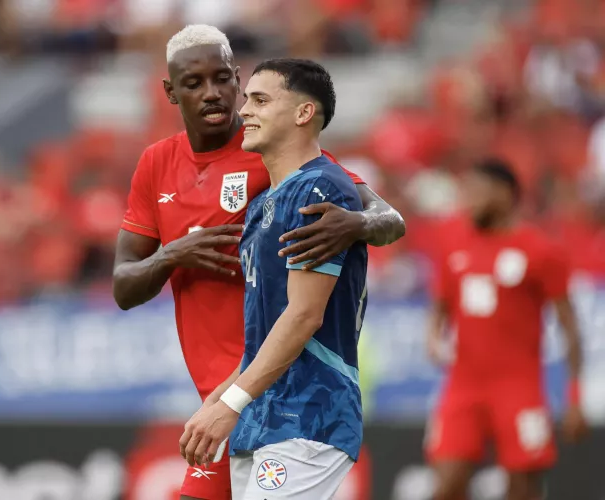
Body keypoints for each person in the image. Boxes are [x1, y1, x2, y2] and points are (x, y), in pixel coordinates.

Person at [113, 25, 404, 500]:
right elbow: (123, 286)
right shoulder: (157, 164)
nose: (215, 94)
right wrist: (173, 254)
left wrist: (353, 225)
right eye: (194, 83)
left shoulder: (274, 156)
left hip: (270, 388)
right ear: (170, 91)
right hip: (225, 394)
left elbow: (385, 216)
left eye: (224, 79)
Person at [178, 58, 368, 499]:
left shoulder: (320, 188)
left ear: (304, 113)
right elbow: (263, 335)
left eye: (261, 100)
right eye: (247, 100)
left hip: (310, 413)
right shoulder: (262, 205)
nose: (244, 111)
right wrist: (216, 402)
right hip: (264, 418)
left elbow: (304, 316)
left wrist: (229, 403)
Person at [425, 158, 589, 500]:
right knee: (447, 483)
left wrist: (574, 397)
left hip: (518, 386)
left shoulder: (541, 250)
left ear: (504, 194)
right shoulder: (455, 241)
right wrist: (433, 337)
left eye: (477, 191)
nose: (468, 200)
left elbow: (570, 326)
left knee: (523, 488)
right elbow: (440, 304)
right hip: (463, 385)